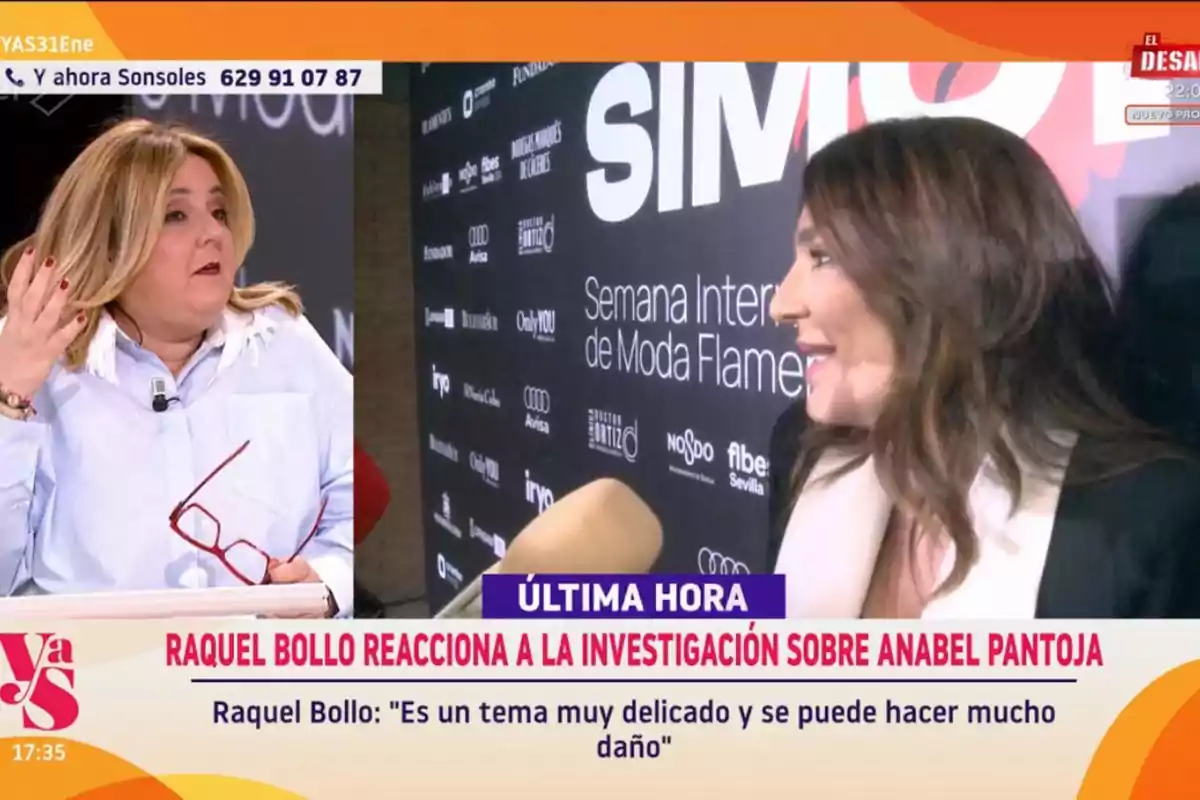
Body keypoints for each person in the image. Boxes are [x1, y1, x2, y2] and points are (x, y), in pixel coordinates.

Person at [766, 116, 1200, 619]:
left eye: (822, 257)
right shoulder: (799, 451)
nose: (780, 304)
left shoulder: (1147, 520)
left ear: (950, 275)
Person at [0, 118, 353, 618]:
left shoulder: (283, 340)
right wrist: (9, 399)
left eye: (218, 211)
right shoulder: (27, 357)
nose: (212, 234)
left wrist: (328, 579)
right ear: (108, 241)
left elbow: (354, 495)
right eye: (175, 215)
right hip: (94, 680)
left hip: (258, 678)